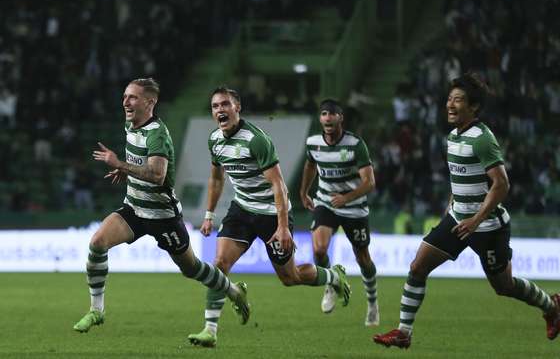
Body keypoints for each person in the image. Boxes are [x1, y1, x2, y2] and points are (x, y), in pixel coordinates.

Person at [373, 73, 560, 349]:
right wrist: (453, 204)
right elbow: (461, 177)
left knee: (504, 286)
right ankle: (404, 332)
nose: (450, 104)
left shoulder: (482, 138)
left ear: (473, 107)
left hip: (488, 227)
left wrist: (476, 219)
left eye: (458, 100)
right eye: (449, 99)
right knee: (417, 267)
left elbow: (501, 184)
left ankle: (552, 307)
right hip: (458, 220)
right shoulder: (452, 136)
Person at [72, 78, 249, 334]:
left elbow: (157, 174)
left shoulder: (157, 134)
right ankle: (96, 310)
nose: (125, 102)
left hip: (163, 216)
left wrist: (120, 164)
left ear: (150, 102)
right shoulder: (130, 124)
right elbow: (139, 160)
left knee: (192, 269)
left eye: (132, 97)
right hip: (134, 208)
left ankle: (234, 291)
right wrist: (126, 172)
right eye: (125, 96)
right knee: (97, 243)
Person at [187, 86, 351, 348]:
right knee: (219, 263)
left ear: (237, 108)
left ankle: (333, 276)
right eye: (215, 106)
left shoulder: (256, 140)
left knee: (291, 277)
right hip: (241, 209)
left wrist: (284, 228)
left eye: (225, 104)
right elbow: (216, 179)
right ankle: (210, 330)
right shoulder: (214, 140)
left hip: (272, 214)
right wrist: (208, 214)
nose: (220, 110)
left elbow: (279, 186)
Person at [299, 99, 379, 326]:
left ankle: (372, 303)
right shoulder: (313, 143)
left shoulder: (355, 144)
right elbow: (310, 165)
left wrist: (346, 198)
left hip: (354, 208)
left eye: (332, 114)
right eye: (324, 114)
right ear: (320, 119)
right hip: (326, 202)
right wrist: (304, 191)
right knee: (319, 249)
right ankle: (332, 282)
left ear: (340, 118)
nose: (328, 118)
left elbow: (369, 182)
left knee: (363, 259)